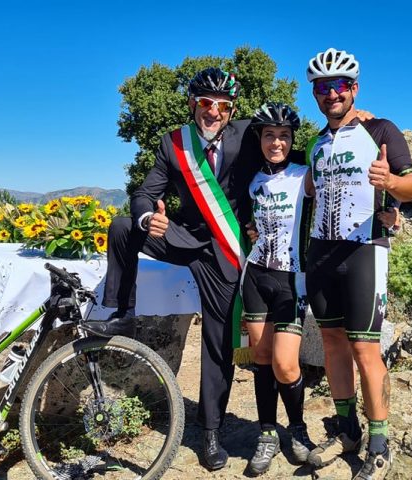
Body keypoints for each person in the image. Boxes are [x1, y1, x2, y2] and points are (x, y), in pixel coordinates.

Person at [88, 67, 260, 471]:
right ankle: (122, 314)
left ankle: (211, 430)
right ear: (192, 104)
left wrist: (358, 123)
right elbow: (144, 194)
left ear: (231, 110)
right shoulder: (174, 143)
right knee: (123, 226)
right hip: (181, 236)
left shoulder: (248, 135)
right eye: (205, 103)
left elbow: (288, 145)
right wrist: (150, 219)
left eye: (221, 106)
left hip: (224, 247)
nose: (212, 112)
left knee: (218, 339)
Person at [302, 48, 412, 480]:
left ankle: (379, 441)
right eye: (321, 87)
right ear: (314, 93)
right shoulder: (315, 142)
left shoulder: (381, 129)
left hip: (364, 251)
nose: (330, 93)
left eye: (338, 85)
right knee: (332, 342)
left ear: (353, 88)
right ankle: (347, 428)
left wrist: (390, 183)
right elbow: (306, 194)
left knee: (365, 349)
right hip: (321, 253)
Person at [241, 102, 316, 475]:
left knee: (287, 365)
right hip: (255, 277)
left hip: (291, 280)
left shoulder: (304, 175)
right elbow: (244, 222)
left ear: (292, 141)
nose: (276, 142)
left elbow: (340, 170)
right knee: (262, 359)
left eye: (284, 136)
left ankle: (298, 430)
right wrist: (247, 230)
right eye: (269, 135)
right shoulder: (250, 179)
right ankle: (267, 433)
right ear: (259, 139)